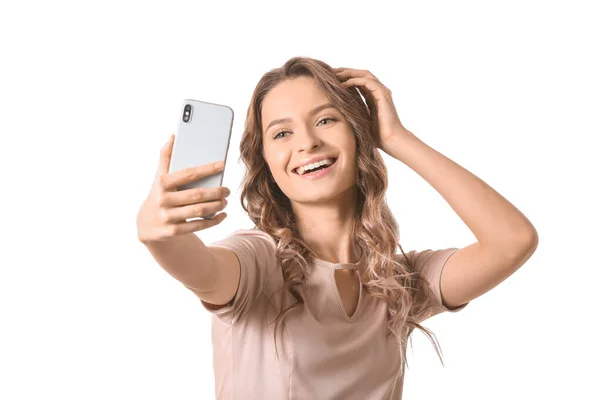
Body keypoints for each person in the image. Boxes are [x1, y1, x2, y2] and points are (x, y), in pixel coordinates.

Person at [136, 57, 539, 399]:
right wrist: (157, 234)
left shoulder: (398, 280)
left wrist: (397, 138)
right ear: (267, 162)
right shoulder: (258, 260)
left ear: (358, 135)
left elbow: (512, 241)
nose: (307, 142)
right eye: (282, 133)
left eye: (326, 119)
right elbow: (201, 269)